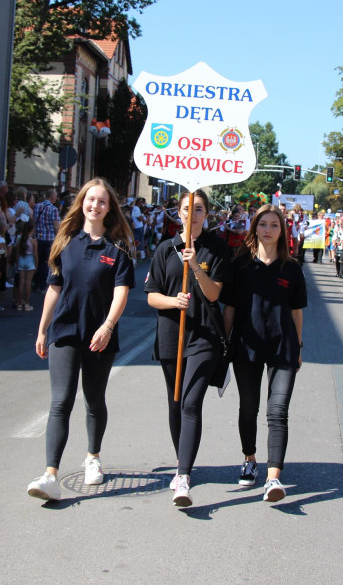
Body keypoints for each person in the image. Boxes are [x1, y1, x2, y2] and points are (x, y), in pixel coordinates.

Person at [27, 179, 135, 502]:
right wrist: (43, 328)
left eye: (103, 201)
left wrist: (108, 326)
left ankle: (93, 456)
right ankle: (50, 475)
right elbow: (54, 288)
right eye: (91, 199)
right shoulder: (65, 242)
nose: (95, 205)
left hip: (99, 335)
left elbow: (121, 293)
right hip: (65, 330)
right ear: (82, 203)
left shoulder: (118, 249)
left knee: (94, 400)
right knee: (60, 401)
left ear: (109, 208)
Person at [145, 190, 230, 507]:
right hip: (170, 336)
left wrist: (195, 266)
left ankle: (183, 475)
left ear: (206, 214)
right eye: (186, 208)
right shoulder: (165, 248)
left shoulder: (217, 248)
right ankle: (182, 458)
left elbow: (213, 295)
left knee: (191, 402)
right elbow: (152, 295)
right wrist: (172, 301)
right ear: (177, 212)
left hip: (205, 338)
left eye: (198, 209)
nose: (191, 214)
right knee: (176, 403)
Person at [222, 205, 306, 502]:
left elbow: (296, 312)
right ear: (254, 228)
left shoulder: (292, 268)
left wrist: (298, 345)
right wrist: (225, 342)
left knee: (277, 413)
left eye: (274, 225)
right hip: (246, 346)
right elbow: (229, 308)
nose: (268, 229)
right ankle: (249, 458)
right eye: (263, 224)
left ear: (282, 231)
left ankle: (273, 478)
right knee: (249, 407)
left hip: (283, 348)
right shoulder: (241, 265)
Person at [13, 219, 38, 311]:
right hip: (30, 260)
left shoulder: (20, 239)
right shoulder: (33, 241)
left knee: (21, 282)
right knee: (28, 283)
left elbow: (17, 252)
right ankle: (26, 304)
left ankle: (19, 303)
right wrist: (36, 264)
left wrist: (17, 261)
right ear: (32, 230)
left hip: (21, 260)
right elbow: (35, 255)